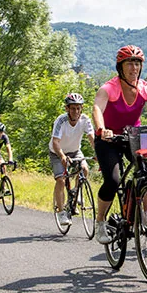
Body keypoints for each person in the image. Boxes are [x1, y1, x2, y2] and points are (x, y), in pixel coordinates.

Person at [92, 45, 147, 244]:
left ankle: (146, 213)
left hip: (134, 135)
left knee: (146, 172)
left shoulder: (145, 87)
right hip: (108, 138)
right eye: (129, 63)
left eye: (137, 63)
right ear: (120, 67)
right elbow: (97, 109)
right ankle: (100, 221)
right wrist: (102, 129)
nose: (133, 67)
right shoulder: (109, 88)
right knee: (113, 180)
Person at [49, 93, 95, 225]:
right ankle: (61, 212)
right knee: (61, 180)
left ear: (82, 108)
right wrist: (62, 156)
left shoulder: (85, 120)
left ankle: (77, 191)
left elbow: (91, 138)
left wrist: (97, 152)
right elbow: (56, 142)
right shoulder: (61, 121)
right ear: (67, 109)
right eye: (73, 108)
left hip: (75, 151)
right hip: (57, 152)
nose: (76, 111)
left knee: (85, 169)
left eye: (78, 108)